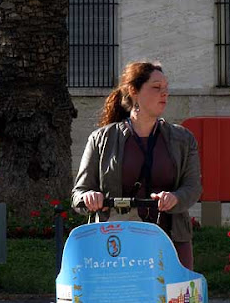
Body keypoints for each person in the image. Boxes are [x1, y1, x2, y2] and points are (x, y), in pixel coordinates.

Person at [71, 61, 202, 269]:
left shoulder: (183, 139)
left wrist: (175, 197)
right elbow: (79, 193)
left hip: (171, 239)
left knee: (172, 299)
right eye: (156, 88)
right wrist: (89, 197)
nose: (164, 94)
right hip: (116, 244)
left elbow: (193, 188)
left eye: (166, 88)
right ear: (134, 91)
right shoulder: (102, 138)